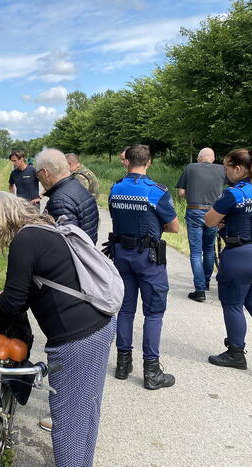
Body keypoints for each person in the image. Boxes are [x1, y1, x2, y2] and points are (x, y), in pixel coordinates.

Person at [0, 191, 114, 467]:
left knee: (68, 418)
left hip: (76, 339)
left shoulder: (24, 240)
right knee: (87, 408)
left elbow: (13, 303)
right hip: (99, 324)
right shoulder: (45, 228)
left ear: (1, 221)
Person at [106, 144, 180, 389]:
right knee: (154, 313)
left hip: (121, 256)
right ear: (149, 162)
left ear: (127, 160)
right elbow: (174, 227)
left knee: (125, 310)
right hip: (148, 258)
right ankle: (151, 371)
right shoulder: (156, 191)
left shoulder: (116, 188)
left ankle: (123, 365)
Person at [204, 148, 252, 369]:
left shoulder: (234, 193)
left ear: (238, 168)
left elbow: (210, 220)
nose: (225, 173)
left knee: (233, 304)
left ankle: (235, 353)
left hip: (242, 255)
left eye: (226, 168)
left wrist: (226, 221)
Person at [175, 147, 226, 302]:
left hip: (194, 211)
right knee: (209, 249)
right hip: (213, 212)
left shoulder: (190, 168)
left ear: (199, 158)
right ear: (213, 157)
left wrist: (193, 196)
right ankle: (206, 283)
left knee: (196, 252)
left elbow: (181, 193)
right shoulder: (222, 169)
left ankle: (199, 289)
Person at [35, 148, 99, 244]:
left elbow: (65, 245)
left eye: (37, 174)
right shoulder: (77, 185)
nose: (39, 178)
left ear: (45, 173)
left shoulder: (59, 201)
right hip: (87, 252)